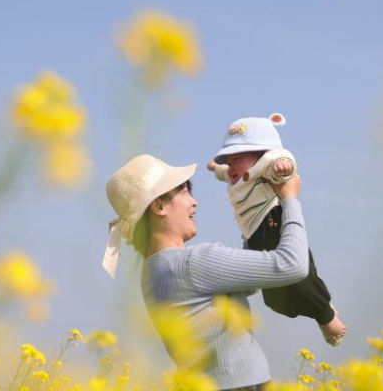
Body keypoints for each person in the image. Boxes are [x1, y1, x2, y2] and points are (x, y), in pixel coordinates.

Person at [102, 154, 309, 390]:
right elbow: (293, 264)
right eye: (183, 191)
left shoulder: (152, 272)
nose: (194, 202)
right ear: (159, 206)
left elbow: (247, 281)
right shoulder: (192, 263)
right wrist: (290, 199)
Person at [207, 114, 347, 346]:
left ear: (260, 154)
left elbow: (283, 159)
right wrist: (215, 167)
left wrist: (283, 166)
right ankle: (320, 305)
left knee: (298, 275)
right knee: (274, 300)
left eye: (237, 159)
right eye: (229, 161)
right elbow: (223, 172)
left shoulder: (266, 169)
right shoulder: (237, 176)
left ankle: (326, 316)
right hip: (252, 237)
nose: (231, 166)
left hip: (273, 223)